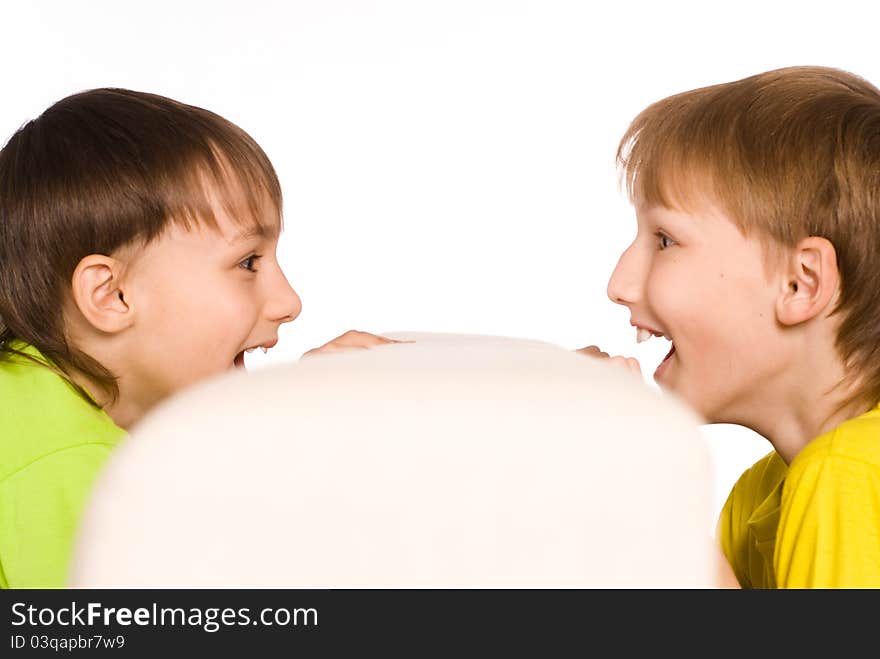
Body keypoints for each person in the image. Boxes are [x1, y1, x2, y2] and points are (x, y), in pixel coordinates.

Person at [0, 88, 392, 588]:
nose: (289, 302)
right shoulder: (73, 471)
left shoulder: (35, 403)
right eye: (248, 262)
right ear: (112, 295)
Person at [579, 66, 880, 588]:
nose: (620, 283)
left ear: (800, 283)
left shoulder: (848, 474)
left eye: (665, 240)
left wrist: (650, 482)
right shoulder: (759, 496)